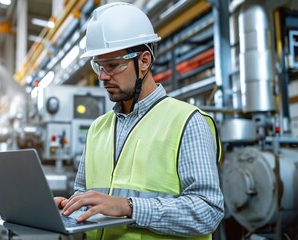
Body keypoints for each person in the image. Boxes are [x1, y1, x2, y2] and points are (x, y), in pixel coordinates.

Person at [54, 2, 224, 239]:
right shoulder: (97, 128)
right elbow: (88, 197)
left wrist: (129, 207)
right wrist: (70, 208)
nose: (102, 76)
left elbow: (208, 211)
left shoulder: (188, 122)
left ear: (144, 61)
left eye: (112, 65)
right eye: (98, 66)